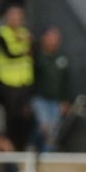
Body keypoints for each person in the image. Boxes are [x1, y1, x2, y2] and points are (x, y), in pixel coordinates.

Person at [0, 4, 34, 153]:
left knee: (25, 117)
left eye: (18, 17)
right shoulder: (1, 34)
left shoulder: (25, 34)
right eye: (12, 17)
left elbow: (31, 52)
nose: (16, 20)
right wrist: (24, 49)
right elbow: (10, 54)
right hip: (7, 83)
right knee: (11, 117)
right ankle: (8, 146)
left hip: (23, 83)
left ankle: (22, 146)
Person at [32, 25, 72, 153]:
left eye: (56, 37)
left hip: (56, 101)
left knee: (53, 132)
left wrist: (65, 100)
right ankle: (32, 150)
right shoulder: (37, 57)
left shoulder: (62, 59)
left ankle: (46, 156)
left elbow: (65, 81)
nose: (54, 40)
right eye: (51, 36)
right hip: (40, 99)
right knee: (44, 127)